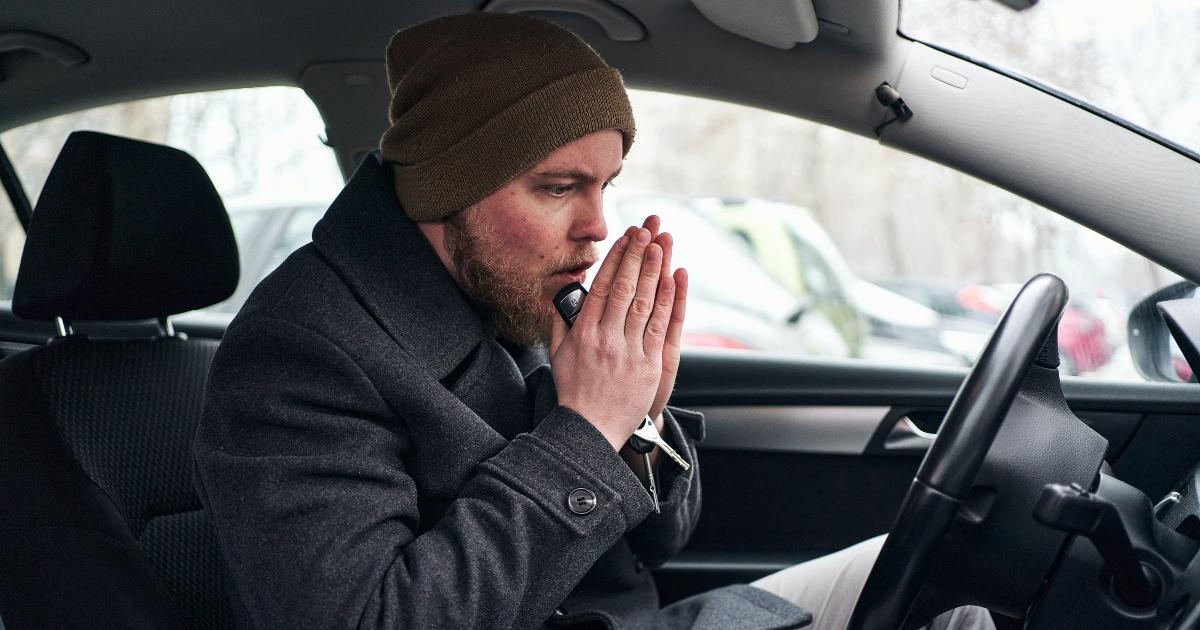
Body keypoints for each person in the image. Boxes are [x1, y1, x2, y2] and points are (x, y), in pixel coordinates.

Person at [193, 12, 994, 630]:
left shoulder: (514, 291)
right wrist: (586, 428)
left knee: (953, 581)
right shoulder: (301, 351)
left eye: (605, 185)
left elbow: (659, 544)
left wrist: (640, 418)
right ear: (447, 188)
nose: (598, 225)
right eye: (558, 188)